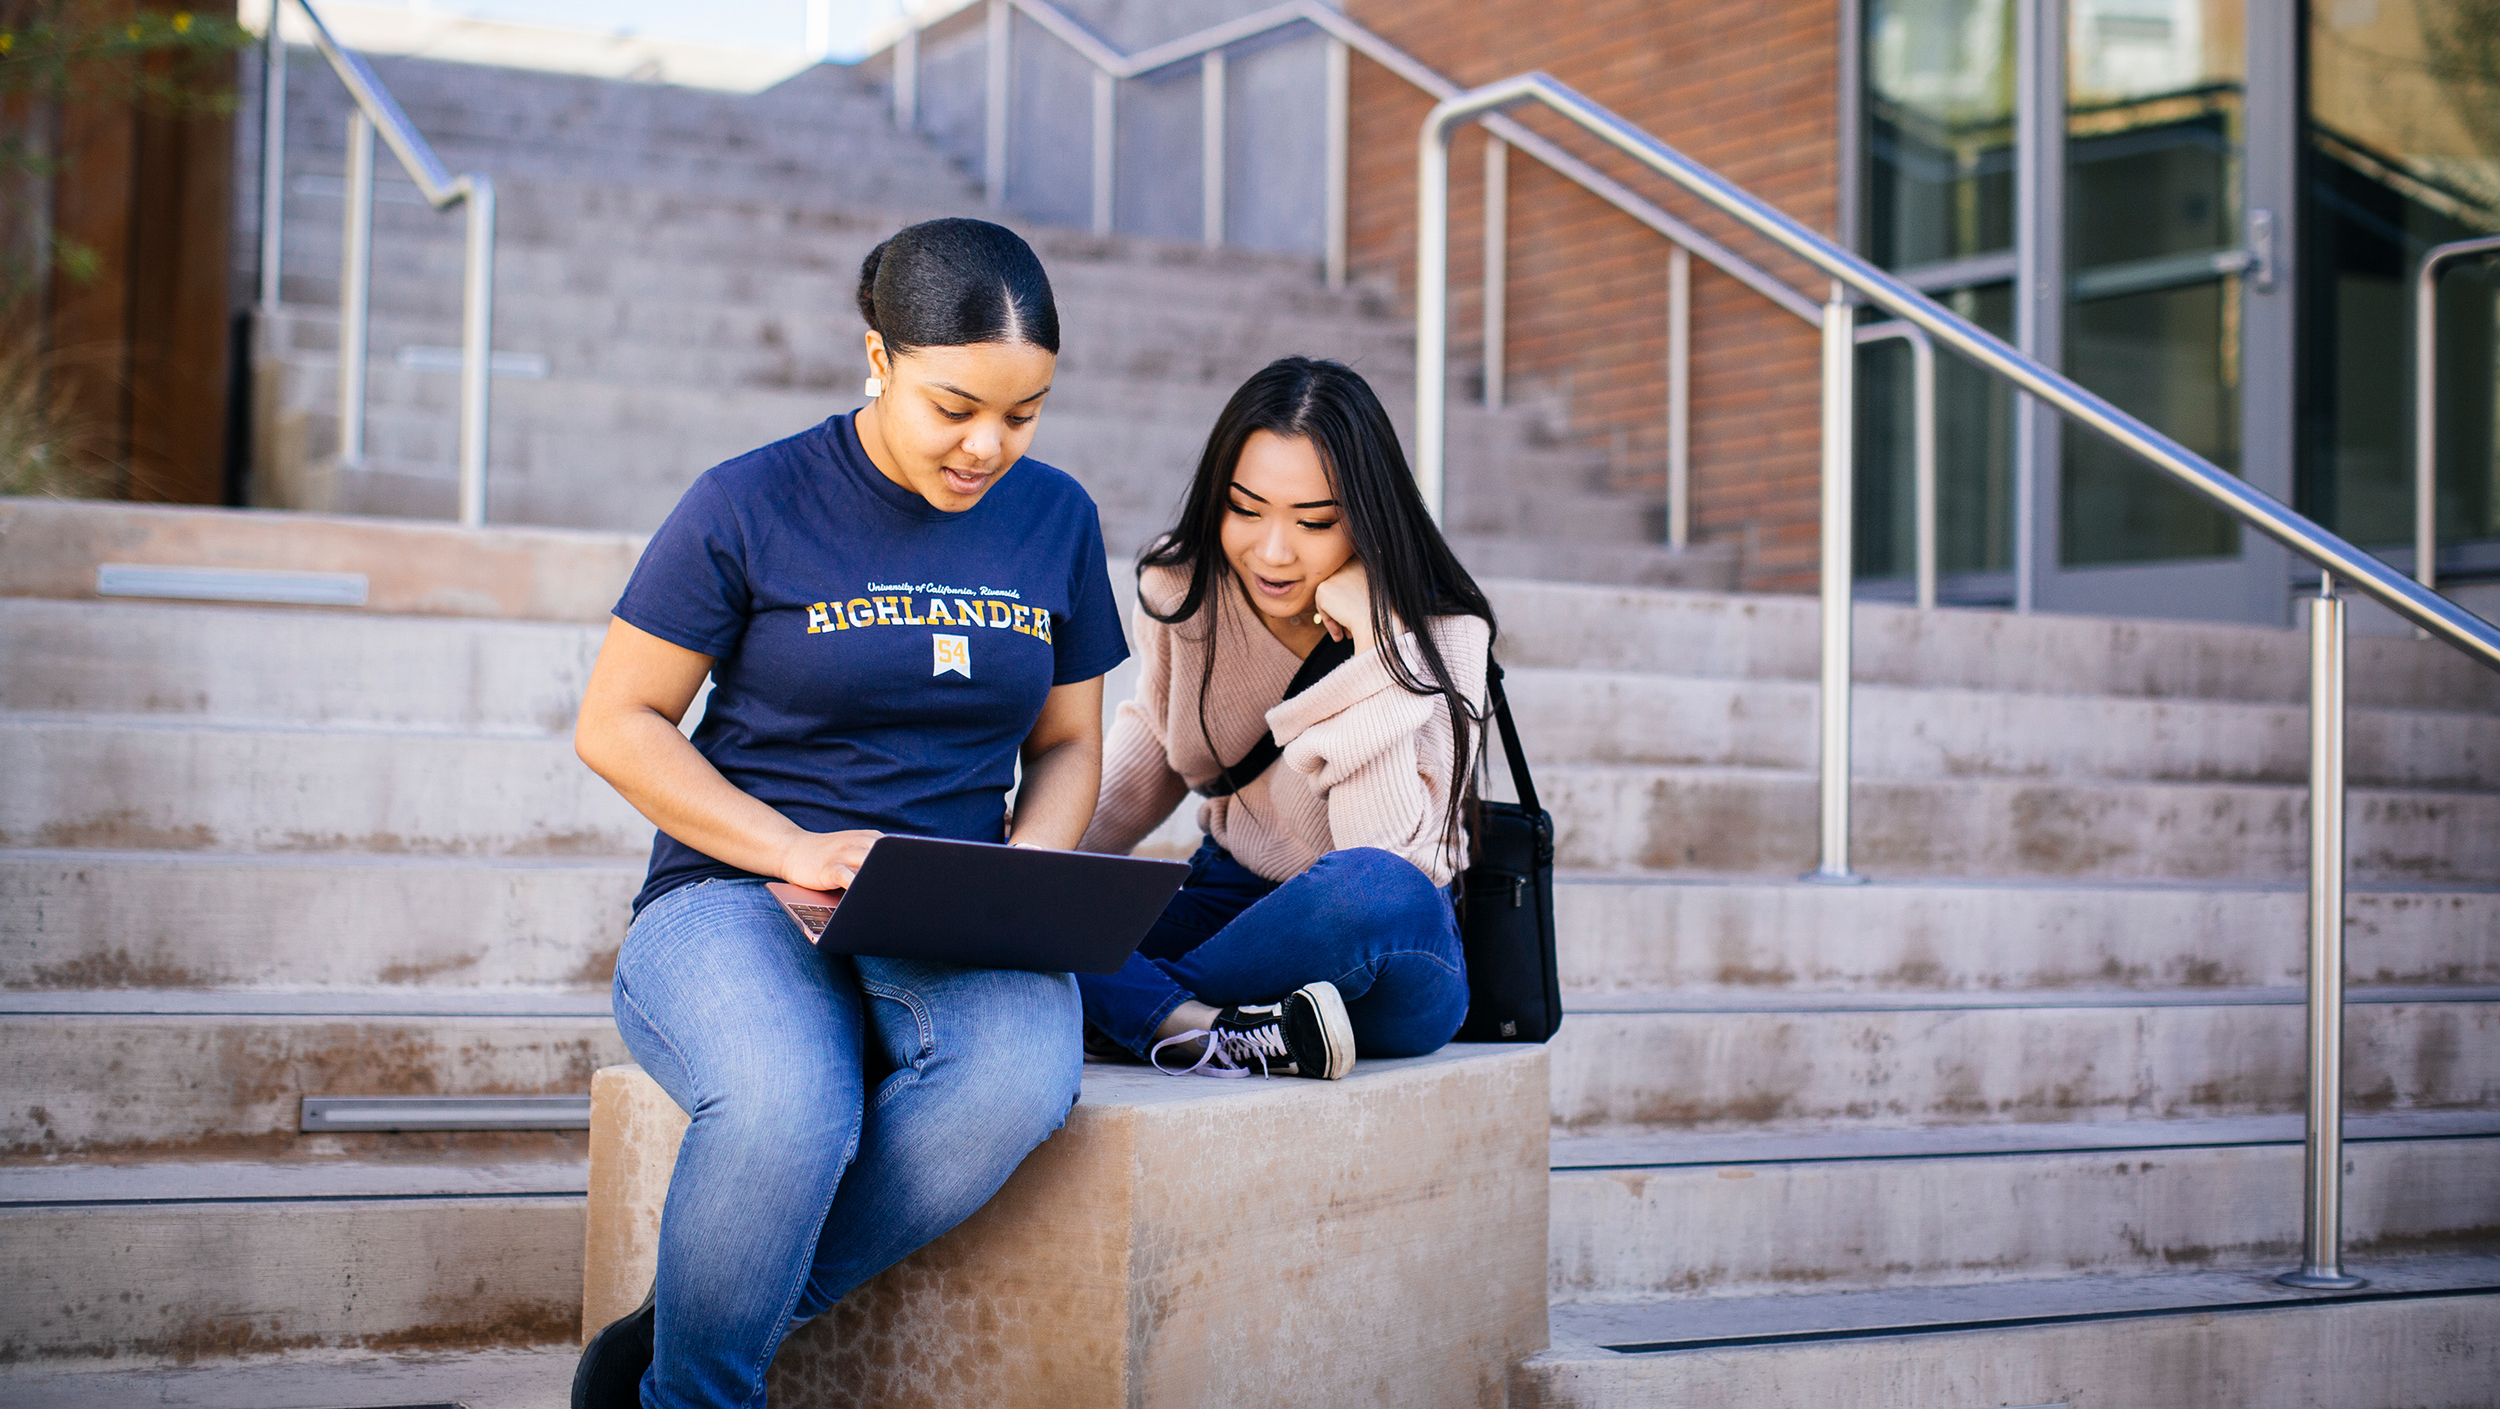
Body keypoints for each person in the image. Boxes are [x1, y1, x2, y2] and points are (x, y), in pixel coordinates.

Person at [568, 217, 1128, 1408]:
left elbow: (1072, 740)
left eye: (1022, 414)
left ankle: (694, 1337)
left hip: (949, 905)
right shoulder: (748, 499)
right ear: (878, 356)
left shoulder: (1056, 518)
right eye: (954, 406)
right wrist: (792, 848)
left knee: (1017, 1083)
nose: (987, 445)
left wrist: (1024, 879)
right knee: (786, 1107)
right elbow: (617, 721)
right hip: (734, 891)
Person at [1077, 356, 1495, 1081]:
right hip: (1232, 899)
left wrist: (1378, 647)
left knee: (1372, 887)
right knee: (1031, 921)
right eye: (1245, 509)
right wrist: (1023, 862)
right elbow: (1154, 741)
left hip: (1388, 943)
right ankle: (1217, 1027)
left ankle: (1140, 1008)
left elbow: (1383, 852)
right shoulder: (1189, 588)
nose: (1271, 551)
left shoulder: (1443, 632)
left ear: (1366, 519)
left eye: (1315, 522)